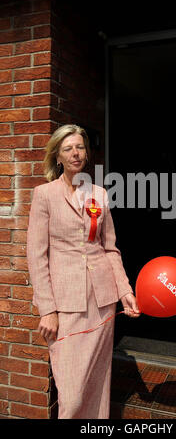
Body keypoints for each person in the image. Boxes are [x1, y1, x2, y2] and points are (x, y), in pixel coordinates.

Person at [27, 124, 140, 419]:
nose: (76, 153)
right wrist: (47, 310)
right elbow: (37, 257)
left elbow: (110, 248)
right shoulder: (44, 195)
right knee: (72, 393)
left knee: (98, 382)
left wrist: (125, 291)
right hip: (66, 306)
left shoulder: (100, 194)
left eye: (80, 147)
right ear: (58, 156)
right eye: (68, 149)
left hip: (103, 301)